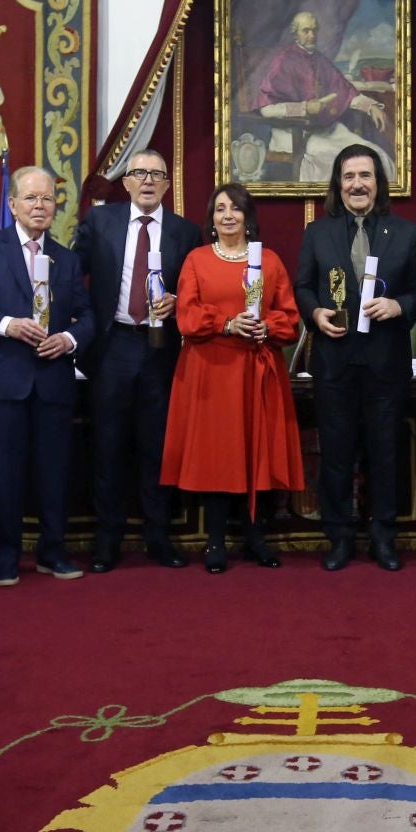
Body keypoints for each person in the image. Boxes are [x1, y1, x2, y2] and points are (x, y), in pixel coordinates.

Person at [0, 166, 95, 585]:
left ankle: (53, 552)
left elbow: (87, 316)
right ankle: (5, 556)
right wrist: (7, 325)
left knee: (54, 474)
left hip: (51, 383)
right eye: (30, 198)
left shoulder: (67, 259)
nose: (39, 206)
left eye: (47, 199)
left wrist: (68, 339)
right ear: (12, 204)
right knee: (0, 474)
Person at [293, 145, 416, 572]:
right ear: (338, 183)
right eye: (349, 176)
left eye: (365, 176)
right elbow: (303, 287)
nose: (357, 184)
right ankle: (339, 537)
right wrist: (314, 313)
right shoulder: (318, 233)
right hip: (334, 361)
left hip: (385, 361)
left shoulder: (405, 233)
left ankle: (383, 537)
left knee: (385, 452)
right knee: (336, 452)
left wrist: (400, 306)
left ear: (378, 183)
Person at [162, 184, 303, 573]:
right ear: (211, 218)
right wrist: (226, 323)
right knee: (218, 455)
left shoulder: (270, 261)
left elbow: (289, 317)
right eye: (219, 208)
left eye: (235, 209)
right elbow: (186, 316)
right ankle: (214, 542)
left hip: (258, 369)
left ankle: (256, 539)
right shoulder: (196, 260)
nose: (227, 215)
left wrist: (266, 329)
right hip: (212, 371)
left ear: (247, 216)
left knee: (255, 451)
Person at [73, 149, 201, 571]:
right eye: (139, 173)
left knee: (155, 446)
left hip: (161, 349)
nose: (148, 181)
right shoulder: (100, 222)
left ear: (167, 184)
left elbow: (196, 290)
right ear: (126, 182)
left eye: (157, 175)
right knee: (107, 445)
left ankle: (157, 536)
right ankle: (107, 540)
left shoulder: (186, 232)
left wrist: (178, 301)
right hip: (111, 346)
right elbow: (73, 278)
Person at [256, 11, 390, 181]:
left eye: (314, 30)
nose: (312, 35)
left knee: (374, 156)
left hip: (325, 130)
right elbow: (266, 109)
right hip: (293, 134)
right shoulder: (283, 61)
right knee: (340, 163)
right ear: (295, 33)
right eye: (306, 31)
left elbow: (347, 93)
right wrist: (304, 108)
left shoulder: (321, 60)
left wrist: (371, 107)